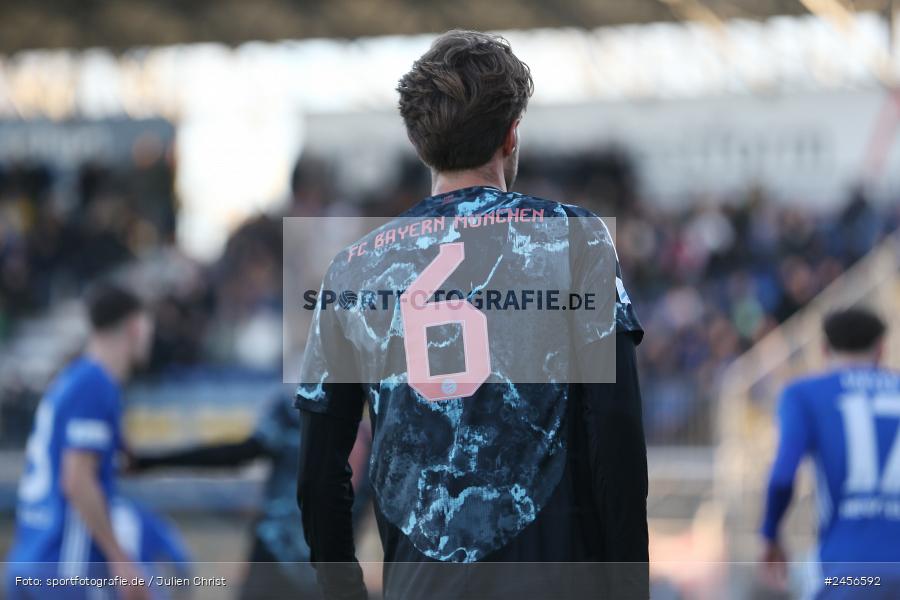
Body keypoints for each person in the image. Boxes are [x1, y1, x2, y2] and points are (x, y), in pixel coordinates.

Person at [295, 30, 648, 600]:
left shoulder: (353, 270)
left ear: (419, 144)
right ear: (512, 135)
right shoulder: (573, 240)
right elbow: (617, 429)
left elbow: (319, 470)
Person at [132, 392, 372, 600]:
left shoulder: (382, 445)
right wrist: (150, 461)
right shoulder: (294, 417)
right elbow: (234, 454)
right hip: (271, 569)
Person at [5, 283, 155, 600]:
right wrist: (120, 559)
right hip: (65, 566)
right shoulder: (95, 383)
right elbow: (77, 480)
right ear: (135, 326)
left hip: (33, 553)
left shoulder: (74, 378)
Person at [761, 307, 900, 598]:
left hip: (851, 572)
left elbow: (783, 474)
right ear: (881, 349)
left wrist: (770, 534)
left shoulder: (804, 394)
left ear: (824, 350)